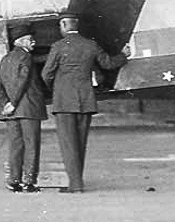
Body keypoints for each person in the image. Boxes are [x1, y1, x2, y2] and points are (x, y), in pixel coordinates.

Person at [40, 13, 130, 193]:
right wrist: (123, 55)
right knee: (80, 143)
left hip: (64, 102)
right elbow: (108, 63)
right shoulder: (91, 45)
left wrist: (55, 89)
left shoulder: (58, 46)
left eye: (60, 26)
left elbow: (46, 74)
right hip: (85, 100)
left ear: (64, 24)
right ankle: (77, 182)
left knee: (68, 144)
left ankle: (75, 184)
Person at [0, 22, 46, 193]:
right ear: (20, 41)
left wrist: (5, 104)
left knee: (15, 146)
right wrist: (14, 102)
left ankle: (14, 180)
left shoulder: (5, 59)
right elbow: (22, 82)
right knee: (32, 145)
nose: (33, 42)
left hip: (11, 112)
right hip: (28, 108)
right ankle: (29, 181)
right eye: (30, 39)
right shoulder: (26, 58)